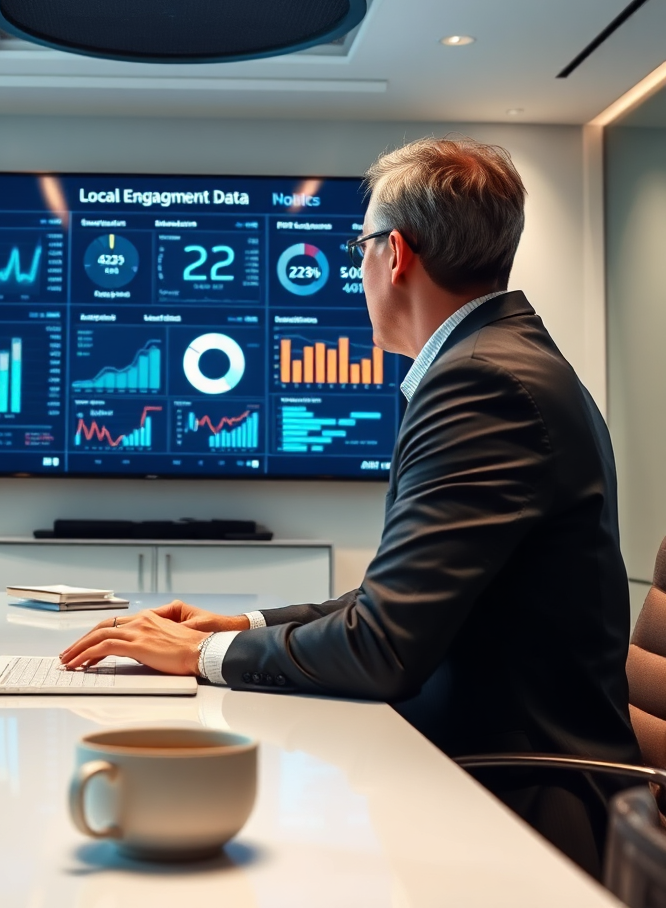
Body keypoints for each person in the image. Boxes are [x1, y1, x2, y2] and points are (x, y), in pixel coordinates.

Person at [61, 137, 639, 874]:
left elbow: (384, 648)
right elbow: (398, 605)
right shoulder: (496, 362)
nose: (354, 269)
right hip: (482, 771)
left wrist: (200, 656)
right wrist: (243, 624)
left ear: (395, 254)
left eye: (358, 246)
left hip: (515, 805)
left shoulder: (482, 385)